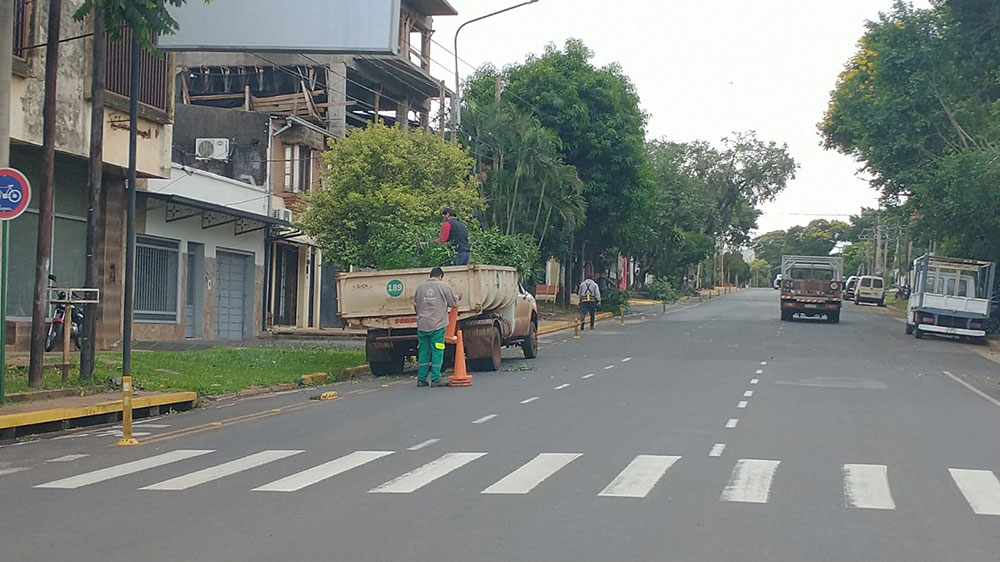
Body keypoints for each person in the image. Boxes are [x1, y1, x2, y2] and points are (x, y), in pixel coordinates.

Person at [413, 267, 458, 387]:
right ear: (441, 276)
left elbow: (416, 305)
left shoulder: (420, 287)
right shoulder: (443, 286)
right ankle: (436, 378)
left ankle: (421, 379)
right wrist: (458, 297)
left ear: (430, 275)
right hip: (437, 325)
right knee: (437, 351)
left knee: (423, 351)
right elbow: (453, 303)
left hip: (422, 325)